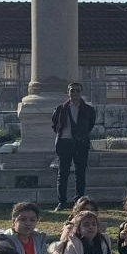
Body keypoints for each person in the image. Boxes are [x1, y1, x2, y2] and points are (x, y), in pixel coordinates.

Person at [51, 81, 97, 212]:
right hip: (65, 143)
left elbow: (90, 125)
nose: (75, 93)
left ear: (81, 93)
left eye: (77, 91)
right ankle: (62, 201)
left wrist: (81, 135)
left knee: (80, 173)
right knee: (63, 173)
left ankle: (79, 201)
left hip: (81, 143)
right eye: (72, 91)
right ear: (68, 93)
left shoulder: (88, 109)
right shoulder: (60, 108)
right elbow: (55, 124)